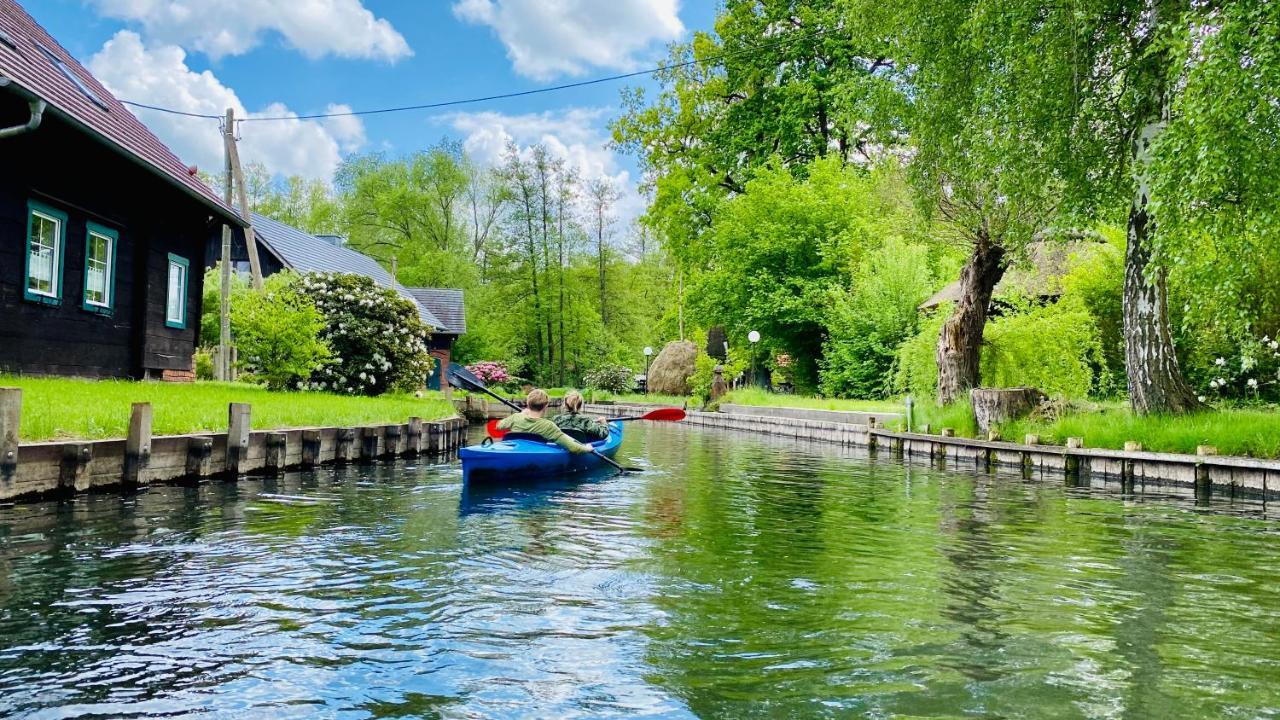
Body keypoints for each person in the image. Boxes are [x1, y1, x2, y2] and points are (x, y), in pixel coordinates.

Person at [497, 389, 595, 454]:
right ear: (546, 406)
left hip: (515, 451)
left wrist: (522, 414)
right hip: (533, 455)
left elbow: (498, 426)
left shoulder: (515, 417)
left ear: (527, 403)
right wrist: (587, 448)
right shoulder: (548, 426)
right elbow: (574, 448)